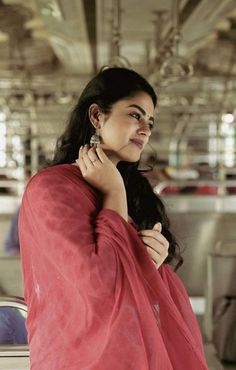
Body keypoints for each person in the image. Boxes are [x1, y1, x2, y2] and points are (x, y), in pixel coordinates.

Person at [19, 67, 208, 370]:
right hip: (79, 357)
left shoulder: (133, 195)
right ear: (96, 116)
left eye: (150, 121)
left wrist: (150, 264)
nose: (146, 129)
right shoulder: (50, 188)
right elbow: (101, 284)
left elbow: (131, 288)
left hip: (133, 350)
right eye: (135, 115)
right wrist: (114, 192)